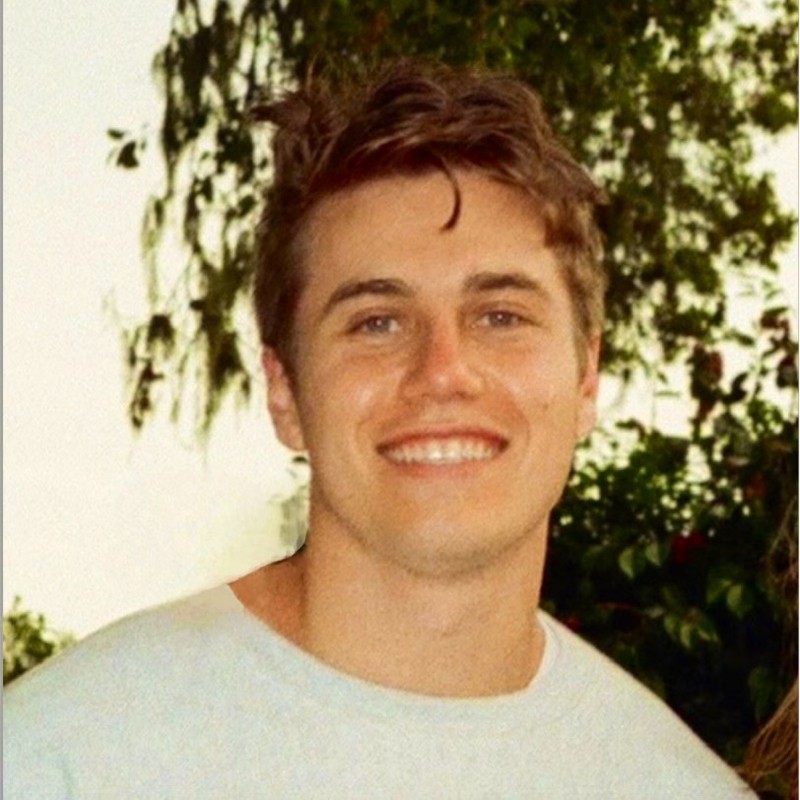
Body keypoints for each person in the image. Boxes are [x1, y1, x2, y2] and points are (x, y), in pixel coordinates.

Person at [4, 59, 754, 798]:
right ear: (284, 391)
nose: (443, 371)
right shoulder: (60, 758)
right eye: (377, 322)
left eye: (500, 316)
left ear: (586, 379)